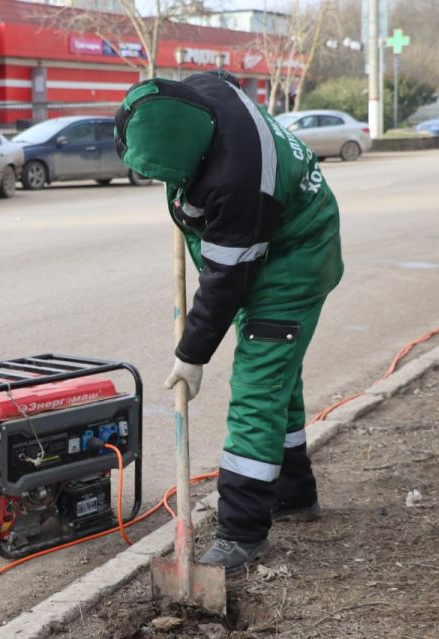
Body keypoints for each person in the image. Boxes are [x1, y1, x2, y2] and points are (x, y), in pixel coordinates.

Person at [114, 71, 344, 576]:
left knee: (258, 387)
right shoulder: (203, 95)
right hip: (265, 243)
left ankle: (243, 533)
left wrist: (191, 356)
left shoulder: (240, 183)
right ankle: (293, 493)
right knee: (277, 372)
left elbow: (224, 282)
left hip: (296, 258)